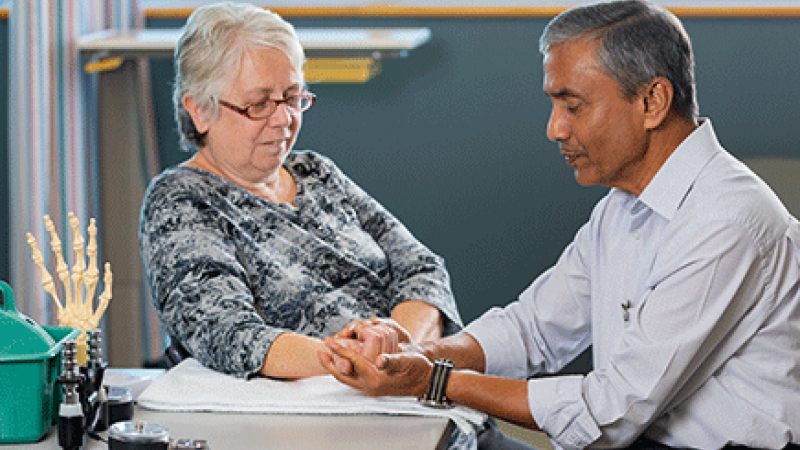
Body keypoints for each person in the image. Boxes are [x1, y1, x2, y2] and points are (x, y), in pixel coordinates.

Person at [320, 1, 800, 449]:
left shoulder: (726, 220)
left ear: (652, 101)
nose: (555, 128)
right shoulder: (623, 204)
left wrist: (436, 380)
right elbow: (533, 330)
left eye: (573, 105)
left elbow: (614, 411)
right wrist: (421, 354)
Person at [138, 2, 463, 381]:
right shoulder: (180, 201)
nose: (283, 120)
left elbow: (423, 269)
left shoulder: (315, 171)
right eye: (259, 104)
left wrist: (398, 345)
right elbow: (230, 334)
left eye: (292, 98)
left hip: (421, 388)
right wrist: (357, 361)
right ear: (199, 110)